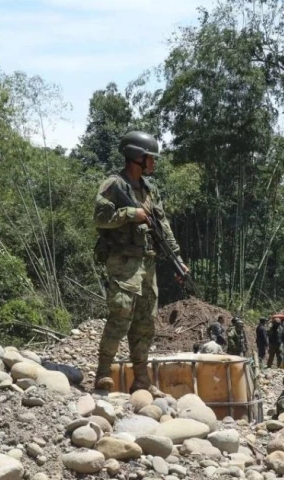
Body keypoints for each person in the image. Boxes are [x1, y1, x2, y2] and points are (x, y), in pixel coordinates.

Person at [93, 130, 187, 395]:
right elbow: (99, 217)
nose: (153, 163)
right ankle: (102, 373)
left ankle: (142, 379)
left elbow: (162, 225)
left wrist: (177, 257)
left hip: (147, 262)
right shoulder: (114, 185)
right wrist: (129, 213)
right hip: (123, 261)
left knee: (146, 322)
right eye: (150, 158)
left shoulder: (149, 190)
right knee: (120, 316)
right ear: (137, 157)